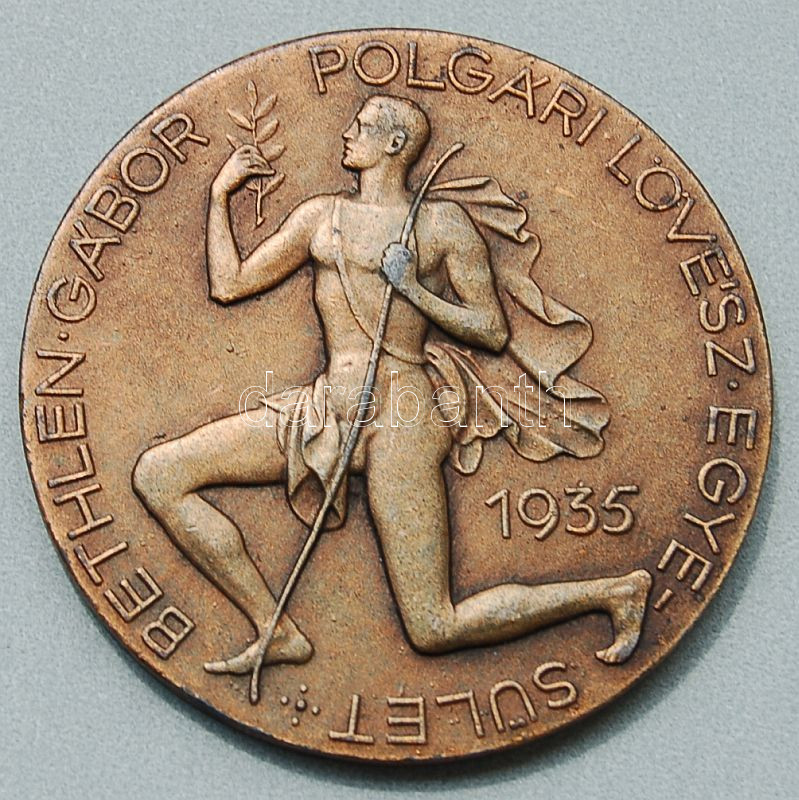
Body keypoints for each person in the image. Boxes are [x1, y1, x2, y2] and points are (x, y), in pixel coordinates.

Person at [133, 94, 651, 689]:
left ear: (395, 144)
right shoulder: (321, 217)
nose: (347, 132)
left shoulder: (440, 224)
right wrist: (218, 195)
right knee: (160, 473)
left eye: (361, 127)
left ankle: (613, 592)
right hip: (326, 409)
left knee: (433, 626)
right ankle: (275, 629)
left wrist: (411, 289)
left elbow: (492, 330)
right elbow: (229, 285)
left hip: (403, 421)